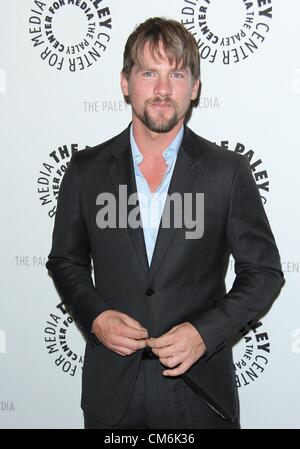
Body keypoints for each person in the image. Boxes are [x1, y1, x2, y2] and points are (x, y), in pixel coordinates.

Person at [46, 17, 284, 429]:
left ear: (194, 88)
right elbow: (65, 261)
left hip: (200, 393)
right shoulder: (85, 171)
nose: (161, 89)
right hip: (112, 394)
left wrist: (204, 333)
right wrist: (96, 317)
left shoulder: (227, 172)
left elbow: (263, 273)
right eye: (148, 72)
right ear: (125, 82)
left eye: (176, 73)